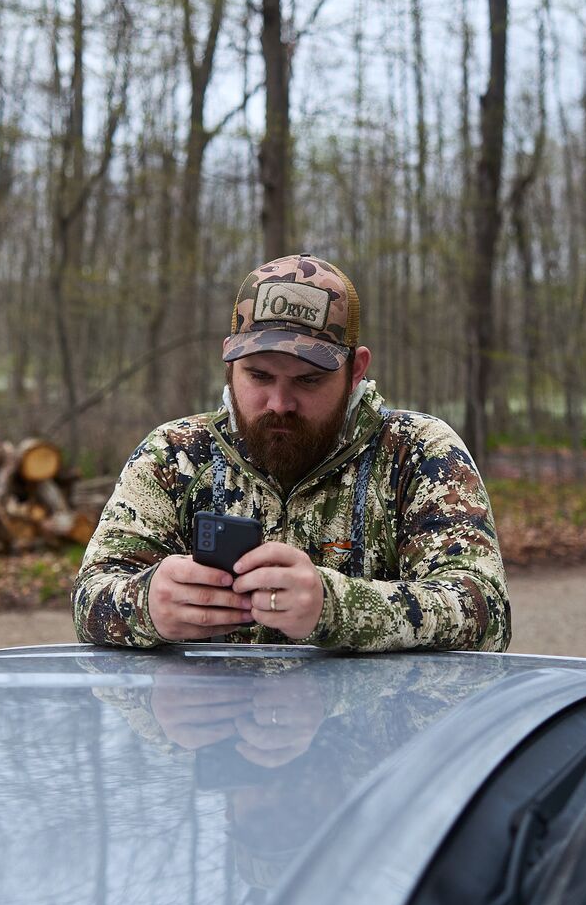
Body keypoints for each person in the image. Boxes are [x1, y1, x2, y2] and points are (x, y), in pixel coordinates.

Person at [73, 254, 510, 651]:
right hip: (210, 731)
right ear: (229, 364)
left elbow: (485, 611)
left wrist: (338, 607)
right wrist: (146, 602)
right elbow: (90, 596)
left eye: (308, 380)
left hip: (371, 734)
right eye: (259, 376)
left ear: (355, 370)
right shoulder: (177, 455)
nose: (280, 403)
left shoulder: (415, 453)